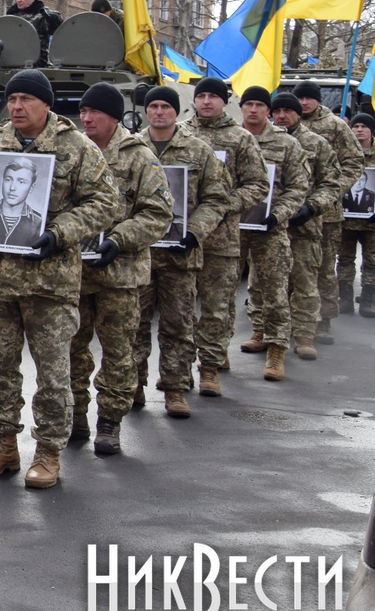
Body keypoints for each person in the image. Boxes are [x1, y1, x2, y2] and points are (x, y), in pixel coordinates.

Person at [0, 69, 114, 490]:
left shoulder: (76, 147)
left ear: (46, 104)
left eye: (26, 100)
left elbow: (106, 202)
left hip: (49, 284)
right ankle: (5, 444)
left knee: (53, 374)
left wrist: (60, 232)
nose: (17, 107)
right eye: (12, 99)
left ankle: (49, 451)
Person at [68, 84, 172, 436]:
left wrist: (119, 239)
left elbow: (158, 213)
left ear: (114, 117)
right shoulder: (73, 151)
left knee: (118, 351)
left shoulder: (138, 155)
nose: (86, 118)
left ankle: (110, 421)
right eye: (83, 112)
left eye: (94, 112)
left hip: (121, 273)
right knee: (71, 348)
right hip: (76, 272)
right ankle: (76, 414)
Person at [132, 86, 232, 409]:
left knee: (178, 323)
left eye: (166, 106)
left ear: (176, 111)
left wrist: (195, 232)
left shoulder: (199, 151)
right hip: (139, 255)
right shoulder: (132, 147)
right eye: (153, 106)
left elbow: (217, 199)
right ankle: (133, 385)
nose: (159, 111)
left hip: (180, 255)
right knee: (133, 323)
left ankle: (175, 388)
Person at [184, 76, 269, 378]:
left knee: (216, 307)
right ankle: (179, 371)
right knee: (179, 310)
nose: (206, 101)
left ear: (224, 101)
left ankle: (211, 364)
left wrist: (224, 205)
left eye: (213, 97)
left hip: (221, 239)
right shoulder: (180, 133)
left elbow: (258, 184)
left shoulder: (240, 138)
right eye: (201, 96)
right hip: (182, 237)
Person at [237, 86, 310, 382]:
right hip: (230, 228)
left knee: (275, 290)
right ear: (241, 107)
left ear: (268, 110)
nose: (253, 109)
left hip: (270, 228)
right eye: (248, 104)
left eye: (259, 104)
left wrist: (279, 214)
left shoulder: (286, 143)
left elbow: (298, 187)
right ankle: (229, 348)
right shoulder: (231, 139)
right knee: (222, 293)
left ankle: (277, 350)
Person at [292, 80, 363, 342]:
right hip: (290, 210)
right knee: (291, 267)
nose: (304, 102)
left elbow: (354, 162)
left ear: (318, 100)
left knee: (322, 267)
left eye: (309, 98)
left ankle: (323, 320)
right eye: (300, 98)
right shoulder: (285, 123)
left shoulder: (335, 126)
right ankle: (291, 319)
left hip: (326, 214)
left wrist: (334, 190)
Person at [272, 91, 339, 360]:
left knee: (304, 282)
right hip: (269, 227)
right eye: (277, 111)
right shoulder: (261, 140)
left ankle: (304, 335)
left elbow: (331, 184)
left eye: (288, 111)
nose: (282, 116)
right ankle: (266, 334)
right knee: (268, 285)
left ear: (298, 114)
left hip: (305, 227)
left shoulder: (317, 143)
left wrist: (312, 207)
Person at [339, 112, 375, 316]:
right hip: (346, 219)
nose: (359, 130)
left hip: (372, 222)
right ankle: (344, 298)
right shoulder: (343, 151)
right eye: (356, 126)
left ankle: (368, 300)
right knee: (344, 259)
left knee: (372, 261)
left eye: (364, 126)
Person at [0, 158, 47, 248]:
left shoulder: (38, 222)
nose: (12, 188)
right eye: (8, 180)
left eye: (21, 182)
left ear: (31, 188)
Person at [5, 0, 63, 64]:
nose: (19, 0)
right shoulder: (11, 17)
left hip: (37, 63)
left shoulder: (42, 15)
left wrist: (53, 17)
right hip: (13, 62)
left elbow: (59, 29)